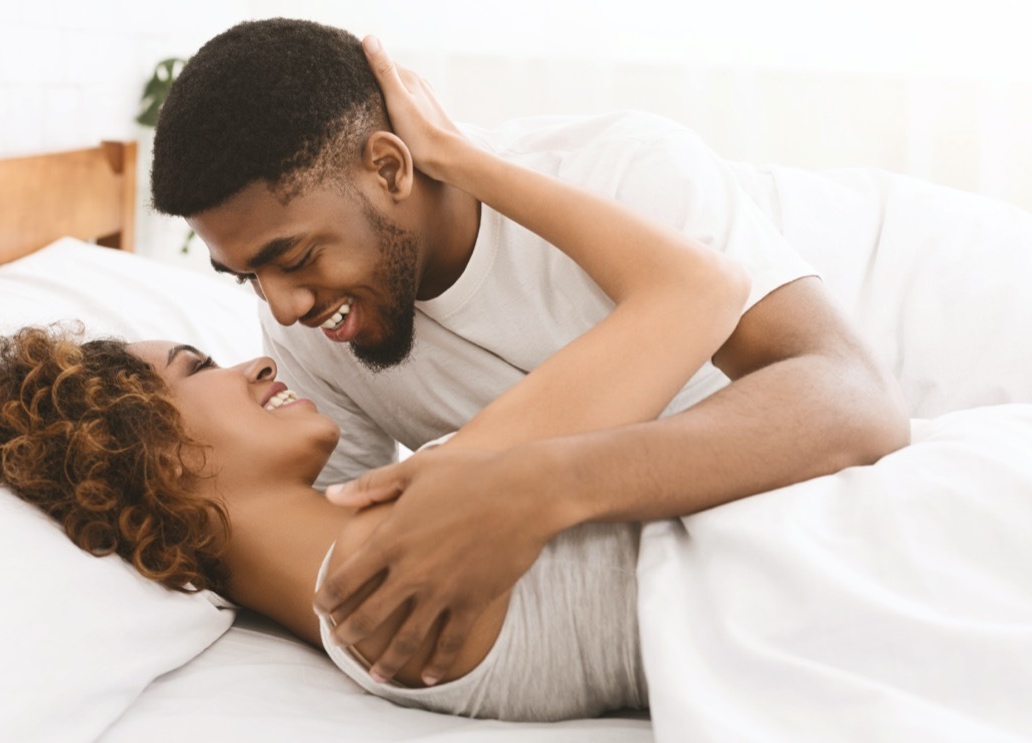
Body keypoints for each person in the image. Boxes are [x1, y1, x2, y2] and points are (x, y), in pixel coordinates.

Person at [0, 95, 752, 720]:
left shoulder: (346, 601)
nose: (262, 348)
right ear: (153, 451)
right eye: (198, 362)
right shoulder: (417, 540)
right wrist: (462, 160)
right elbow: (705, 287)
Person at [149, 19, 910, 687]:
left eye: (296, 254)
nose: (281, 306)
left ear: (390, 168)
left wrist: (546, 485)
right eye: (247, 275)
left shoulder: (621, 169)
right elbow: (369, 541)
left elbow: (857, 401)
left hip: (900, 325)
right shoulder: (306, 333)